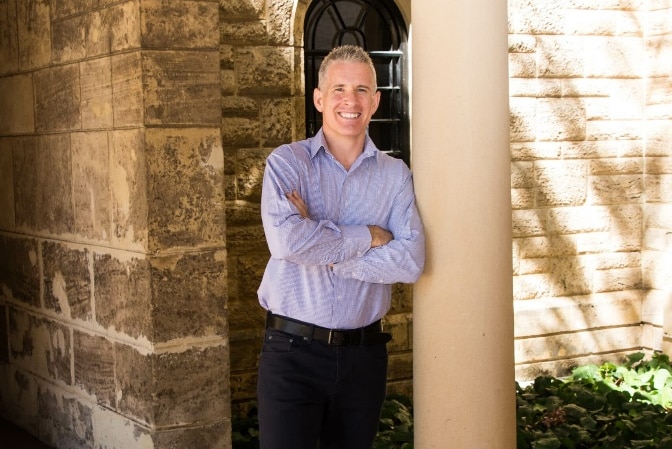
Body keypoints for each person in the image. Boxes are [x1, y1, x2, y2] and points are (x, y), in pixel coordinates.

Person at [256, 45, 426, 449]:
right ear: (319, 98)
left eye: (363, 89)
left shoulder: (395, 176)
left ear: (376, 100)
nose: (351, 100)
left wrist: (324, 245)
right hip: (291, 355)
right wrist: (368, 235)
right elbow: (286, 242)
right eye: (339, 89)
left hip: (363, 359)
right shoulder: (287, 164)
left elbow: (410, 261)